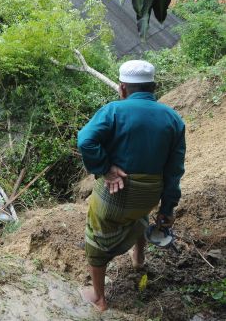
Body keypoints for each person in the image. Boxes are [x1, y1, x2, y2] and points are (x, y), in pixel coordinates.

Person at [76, 60, 186, 311]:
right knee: (140, 216)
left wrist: (105, 168)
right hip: (149, 197)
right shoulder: (173, 119)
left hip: (117, 194)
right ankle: (138, 260)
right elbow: (174, 170)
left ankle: (99, 298)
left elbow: (85, 140)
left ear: (123, 88)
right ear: (153, 87)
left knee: (96, 234)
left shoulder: (114, 111)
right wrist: (167, 208)